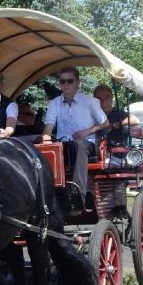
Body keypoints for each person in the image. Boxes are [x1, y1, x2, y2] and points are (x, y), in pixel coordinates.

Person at [40, 66, 109, 210]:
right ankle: (46, 197)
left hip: (87, 144)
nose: (65, 85)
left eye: (69, 81)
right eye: (62, 82)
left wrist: (88, 131)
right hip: (63, 145)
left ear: (77, 83)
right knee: (48, 150)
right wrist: (46, 140)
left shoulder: (90, 102)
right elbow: (48, 128)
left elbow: (105, 123)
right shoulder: (54, 103)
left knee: (79, 144)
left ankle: (78, 195)